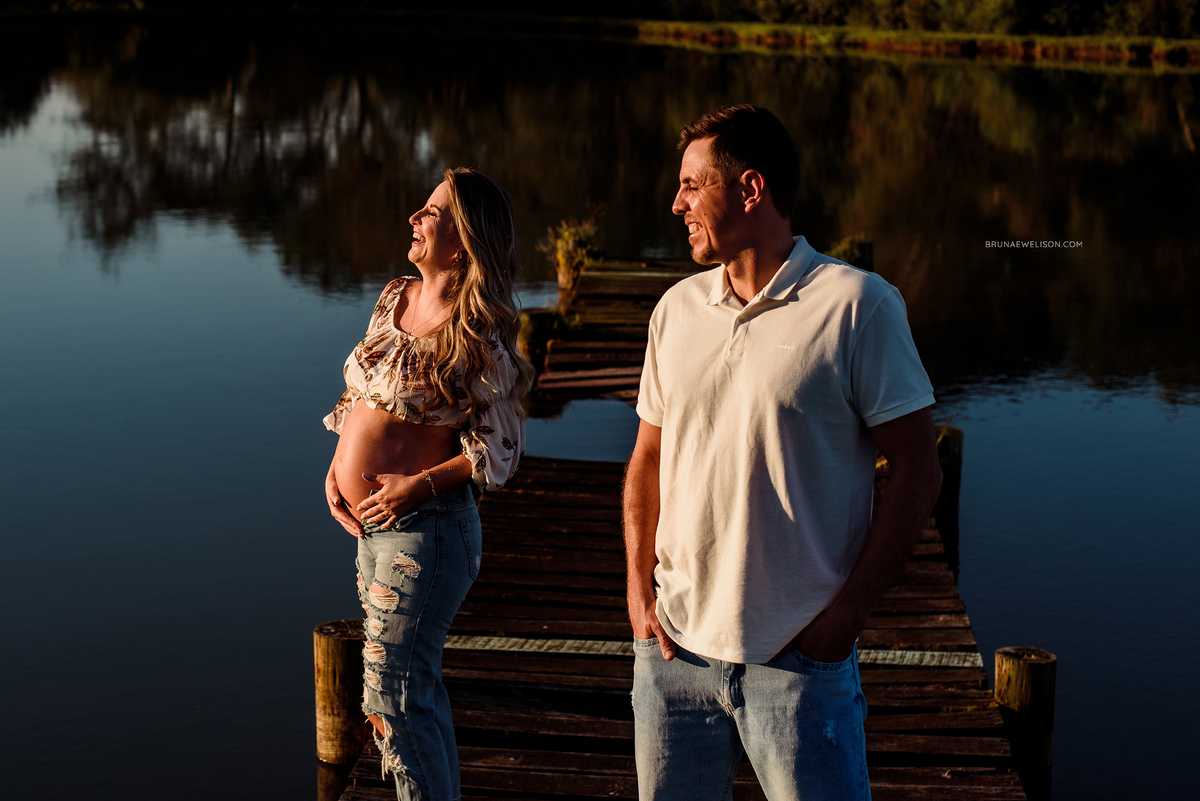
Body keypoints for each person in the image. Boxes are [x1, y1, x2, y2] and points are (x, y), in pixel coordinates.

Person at [623, 105, 944, 801]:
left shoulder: (859, 306)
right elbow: (647, 459)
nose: (675, 202)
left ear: (750, 188)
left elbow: (919, 470)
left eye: (691, 185)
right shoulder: (674, 311)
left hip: (801, 663)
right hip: (674, 655)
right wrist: (636, 590)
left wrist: (847, 617)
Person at [323, 167, 534, 801]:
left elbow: (500, 451)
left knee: (391, 697)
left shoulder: (478, 332)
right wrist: (336, 469)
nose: (415, 218)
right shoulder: (394, 297)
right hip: (375, 527)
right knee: (411, 689)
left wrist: (419, 485)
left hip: (426, 535)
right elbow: (364, 394)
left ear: (464, 241)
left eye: (433, 212)